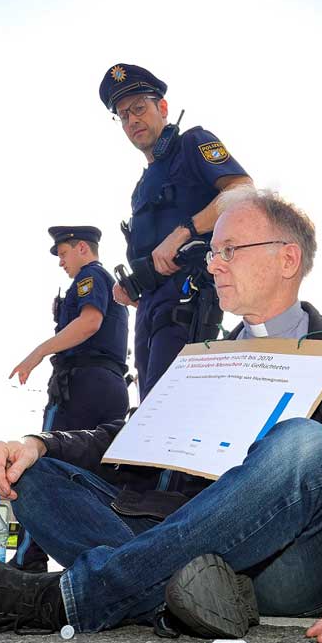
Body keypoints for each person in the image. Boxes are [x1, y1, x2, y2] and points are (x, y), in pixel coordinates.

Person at [0, 190, 322, 643]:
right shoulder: (200, 358)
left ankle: (71, 599)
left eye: (229, 250)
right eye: (213, 252)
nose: (213, 265)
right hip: (186, 546)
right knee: (31, 475)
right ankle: (178, 597)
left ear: (287, 259)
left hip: (297, 562)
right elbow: (132, 436)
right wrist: (40, 444)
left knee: (305, 445)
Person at [99, 63, 253, 398]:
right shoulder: (141, 185)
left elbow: (243, 190)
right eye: (123, 116)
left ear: (163, 107)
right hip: (150, 309)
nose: (132, 121)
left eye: (139, 108)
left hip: (188, 299)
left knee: (172, 410)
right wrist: (130, 289)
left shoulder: (193, 143)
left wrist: (185, 231)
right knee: (150, 410)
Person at [9, 226, 130, 573]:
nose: (61, 261)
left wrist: (38, 353)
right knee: (99, 471)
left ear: (81, 248)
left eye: (63, 253)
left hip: (80, 382)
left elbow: (89, 322)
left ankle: (26, 561)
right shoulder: (111, 284)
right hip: (112, 383)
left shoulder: (89, 277)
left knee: (41, 457)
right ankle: (96, 558)